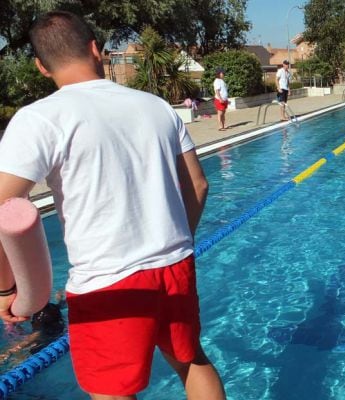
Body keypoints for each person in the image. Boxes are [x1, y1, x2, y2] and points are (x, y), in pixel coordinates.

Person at [0, 11, 225, 399]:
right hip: (175, 267)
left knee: (112, 391)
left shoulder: (39, 118)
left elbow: (4, 205)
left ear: (40, 66)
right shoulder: (157, 106)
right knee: (191, 362)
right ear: (96, 50)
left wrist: (7, 289)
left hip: (107, 282)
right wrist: (174, 244)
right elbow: (199, 186)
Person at [0, 292, 66, 365]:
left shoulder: (41, 316)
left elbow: (36, 335)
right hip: (59, 335)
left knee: (21, 359)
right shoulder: (51, 306)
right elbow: (62, 305)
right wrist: (60, 298)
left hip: (45, 344)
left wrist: (11, 350)